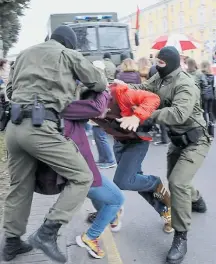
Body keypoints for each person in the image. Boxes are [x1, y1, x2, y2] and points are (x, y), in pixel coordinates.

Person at [2, 25, 107, 263]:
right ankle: (47, 233)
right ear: (69, 43)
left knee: (20, 186)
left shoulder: (24, 53)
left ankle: (11, 243)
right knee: (82, 176)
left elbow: (10, 90)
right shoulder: (68, 54)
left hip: (14, 128)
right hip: (41, 128)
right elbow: (98, 83)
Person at [127, 46, 210, 264]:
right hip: (177, 141)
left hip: (196, 140)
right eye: (157, 61)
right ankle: (197, 200)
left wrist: (144, 116)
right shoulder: (161, 77)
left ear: (171, 62)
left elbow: (179, 113)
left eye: (162, 62)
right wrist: (122, 87)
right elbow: (143, 88)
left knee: (177, 182)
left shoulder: (185, 83)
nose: (158, 65)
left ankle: (180, 236)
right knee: (178, 180)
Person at [88, 82, 173, 234]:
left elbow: (153, 98)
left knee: (124, 181)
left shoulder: (121, 94)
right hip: (120, 143)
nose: (95, 116)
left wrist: (136, 116)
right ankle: (166, 211)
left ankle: (155, 184)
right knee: (135, 180)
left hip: (137, 141)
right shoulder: (85, 102)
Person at [59, 90, 124, 259]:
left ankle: (110, 218)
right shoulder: (68, 110)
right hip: (83, 172)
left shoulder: (69, 113)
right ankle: (90, 237)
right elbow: (97, 107)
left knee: (103, 197)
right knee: (117, 200)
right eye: (106, 107)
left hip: (82, 172)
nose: (107, 110)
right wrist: (104, 90)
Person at [91, 61, 116, 169]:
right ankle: (103, 158)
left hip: (100, 112)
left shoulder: (99, 79)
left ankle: (109, 160)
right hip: (99, 111)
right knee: (98, 136)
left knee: (100, 137)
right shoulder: (101, 78)